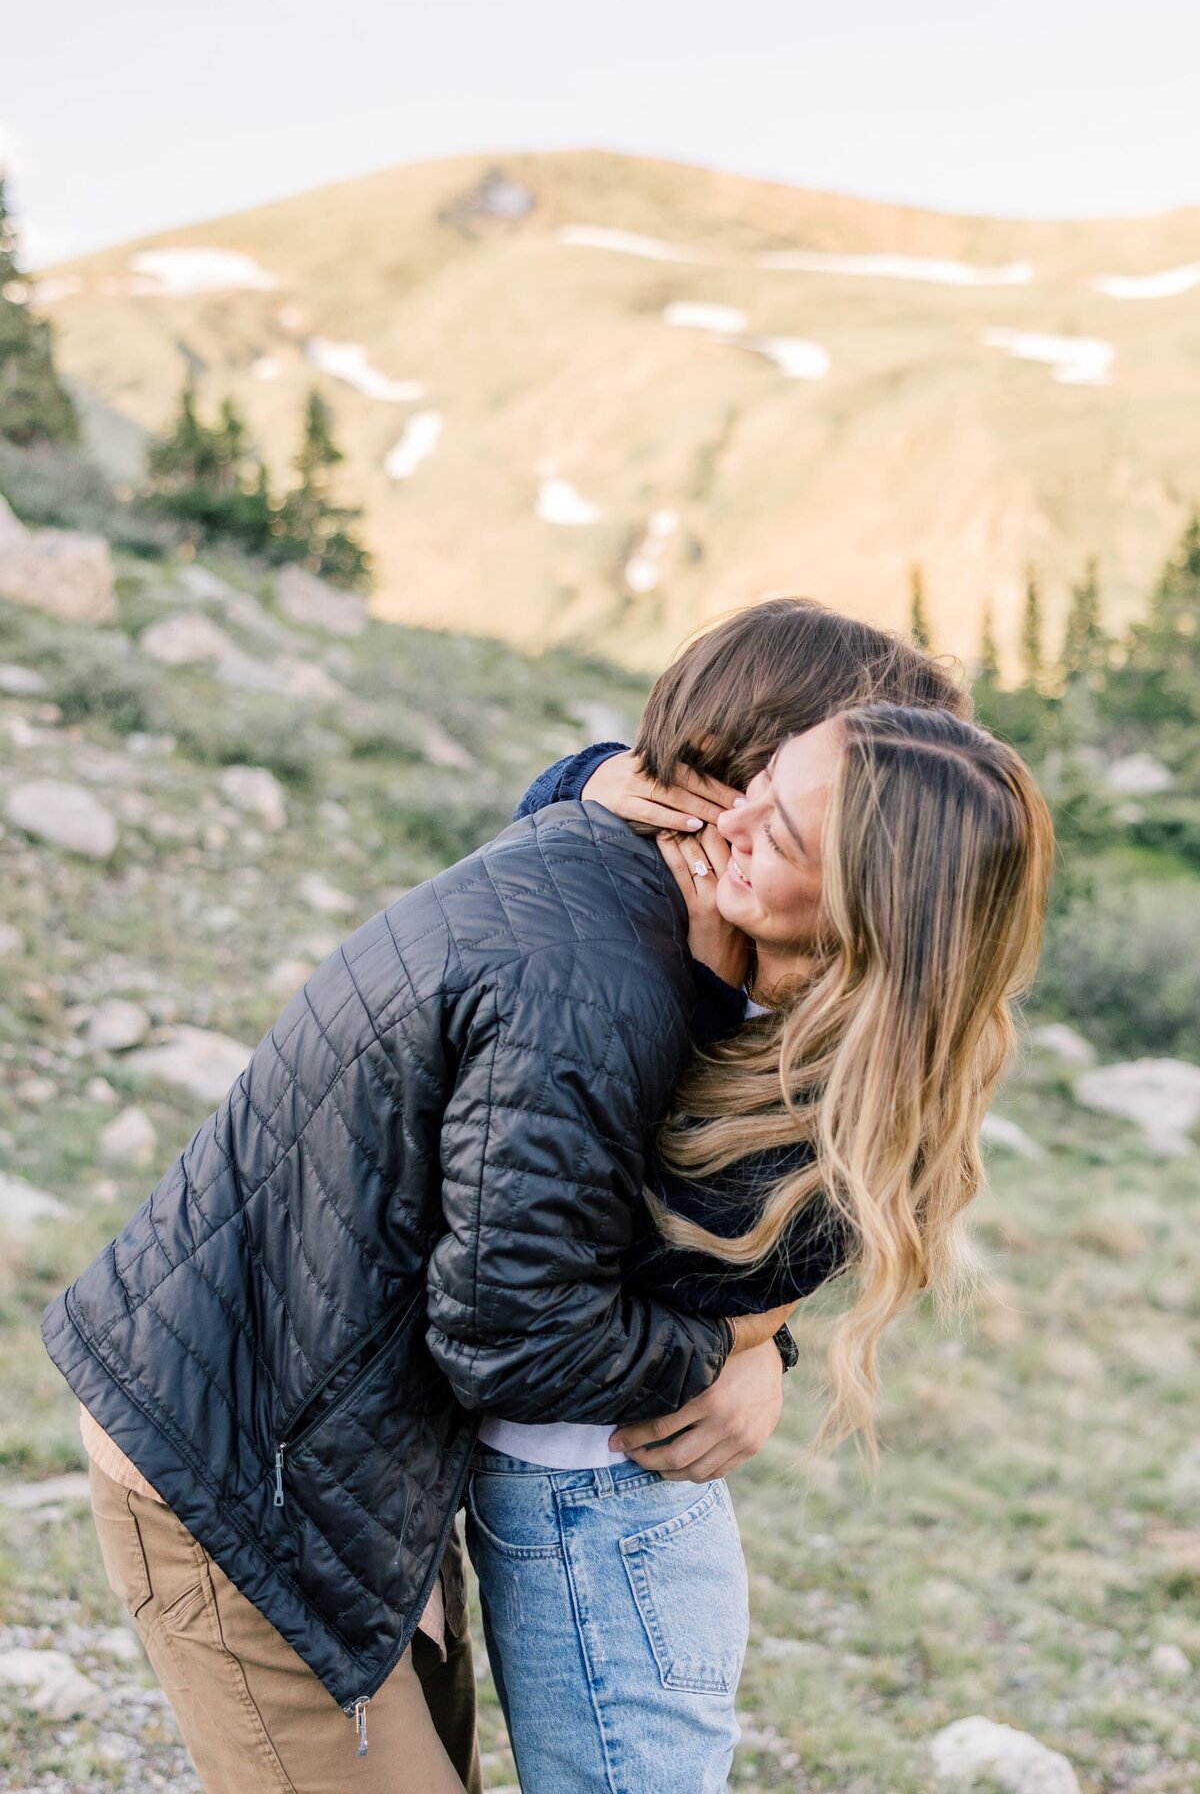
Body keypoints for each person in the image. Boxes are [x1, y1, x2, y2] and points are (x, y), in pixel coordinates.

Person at [42, 597, 970, 1794]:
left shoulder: (621, 889)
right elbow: (523, 1335)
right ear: (731, 791)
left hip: (337, 1437)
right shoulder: (601, 978)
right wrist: (731, 1355)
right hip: (245, 1465)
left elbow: (637, 1242)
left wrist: (760, 1342)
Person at [466, 699, 1053, 1794]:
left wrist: (698, 987)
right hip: (571, 1498)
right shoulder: (749, 949)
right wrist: (590, 777)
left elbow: (574, 1277)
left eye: (777, 834)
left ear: (867, 919)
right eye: (759, 788)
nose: (726, 824)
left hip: (605, 1511)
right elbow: (548, 846)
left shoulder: (838, 1123)